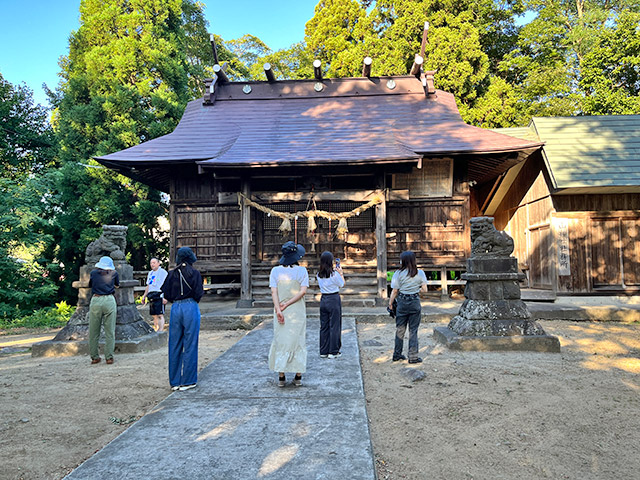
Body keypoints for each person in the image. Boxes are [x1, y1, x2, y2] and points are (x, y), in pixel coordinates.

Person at [161, 247, 204, 391]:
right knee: (190, 343)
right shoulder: (195, 273)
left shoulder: (171, 274)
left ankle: (175, 381)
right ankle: (188, 380)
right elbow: (199, 293)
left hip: (176, 308)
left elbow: (166, 293)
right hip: (190, 306)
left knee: (174, 343)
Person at [269, 241, 309, 387]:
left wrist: (279, 309)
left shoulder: (275, 271)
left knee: (281, 341)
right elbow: (303, 291)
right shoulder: (302, 271)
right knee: (297, 340)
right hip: (296, 309)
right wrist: (288, 303)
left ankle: (281, 376)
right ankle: (298, 377)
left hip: (280, 310)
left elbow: (274, 291)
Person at [388, 251, 428, 364]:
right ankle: (413, 356)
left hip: (402, 302)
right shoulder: (420, 273)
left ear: (403, 261)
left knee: (400, 329)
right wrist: (416, 290)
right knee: (413, 330)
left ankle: (397, 354)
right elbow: (425, 290)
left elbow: (395, 290)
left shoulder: (398, 274)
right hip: (415, 301)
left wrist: (390, 303)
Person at [88, 256, 120, 365]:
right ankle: (109, 357)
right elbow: (117, 285)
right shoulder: (114, 273)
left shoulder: (93, 273)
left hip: (96, 300)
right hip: (109, 300)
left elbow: (90, 285)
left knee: (93, 330)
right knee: (110, 331)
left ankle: (94, 357)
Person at [316, 251, 344, 359]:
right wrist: (341, 273)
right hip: (333, 298)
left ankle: (323, 350)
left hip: (324, 299)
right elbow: (342, 284)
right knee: (335, 325)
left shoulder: (318, 274)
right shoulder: (334, 274)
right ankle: (333, 351)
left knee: (324, 326)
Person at [141, 257, 168, 332]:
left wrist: (165, 296)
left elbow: (166, 285)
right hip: (151, 294)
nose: (152, 264)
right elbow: (148, 285)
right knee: (154, 314)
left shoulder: (163, 272)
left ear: (158, 263)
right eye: (151, 263)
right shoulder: (150, 273)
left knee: (160, 314)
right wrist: (144, 296)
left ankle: (161, 329)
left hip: (159, 293)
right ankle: (156, 329)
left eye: (154, 263)